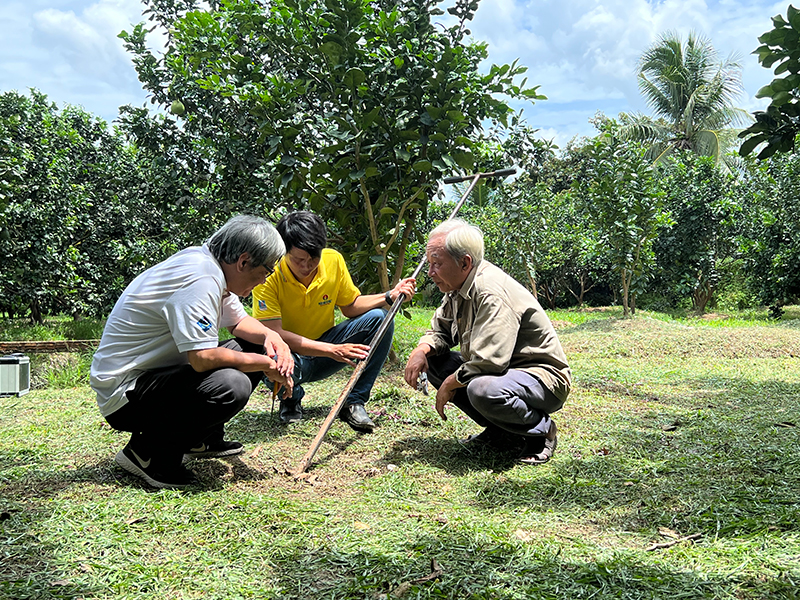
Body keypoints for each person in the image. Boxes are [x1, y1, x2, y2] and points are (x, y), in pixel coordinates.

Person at [90, 215, 294, 489]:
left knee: (257, 344)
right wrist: (263, 363)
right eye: (266, 271)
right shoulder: (200, 278)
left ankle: (200, 439)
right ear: (243, 262)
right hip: (125, 393)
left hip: (157, 376)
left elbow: (239, 323)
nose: (263, 280)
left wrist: (272, 337)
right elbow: (202, 359)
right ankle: (147, 453)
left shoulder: (213, 267)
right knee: (230, 385)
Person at [403, 219, 571, 464]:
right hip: (503, 373)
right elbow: (440, 331)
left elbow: (490, 362)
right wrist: (421, 350)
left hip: (540, 378)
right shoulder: (457, 288)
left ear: (465, 262)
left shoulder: (490, 292)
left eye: (437, 264)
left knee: (482, 389)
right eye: (429, 264)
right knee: (434, 361)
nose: (430, 273)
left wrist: (450, 384)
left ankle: (542, 430)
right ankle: (503, 430)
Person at [252, 211, 415, 432]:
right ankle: (290, 397)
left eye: (313, 258)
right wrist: (332, 350)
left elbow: (350, 306)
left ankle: (354, 401)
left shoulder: (333, 260)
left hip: (325, 351)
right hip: (290, 355)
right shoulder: (268, 274)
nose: (307, 266)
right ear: (284, 251)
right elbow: (273, 333)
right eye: (299, 259)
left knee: (379, 318)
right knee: (271, 363)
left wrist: (388, 296)